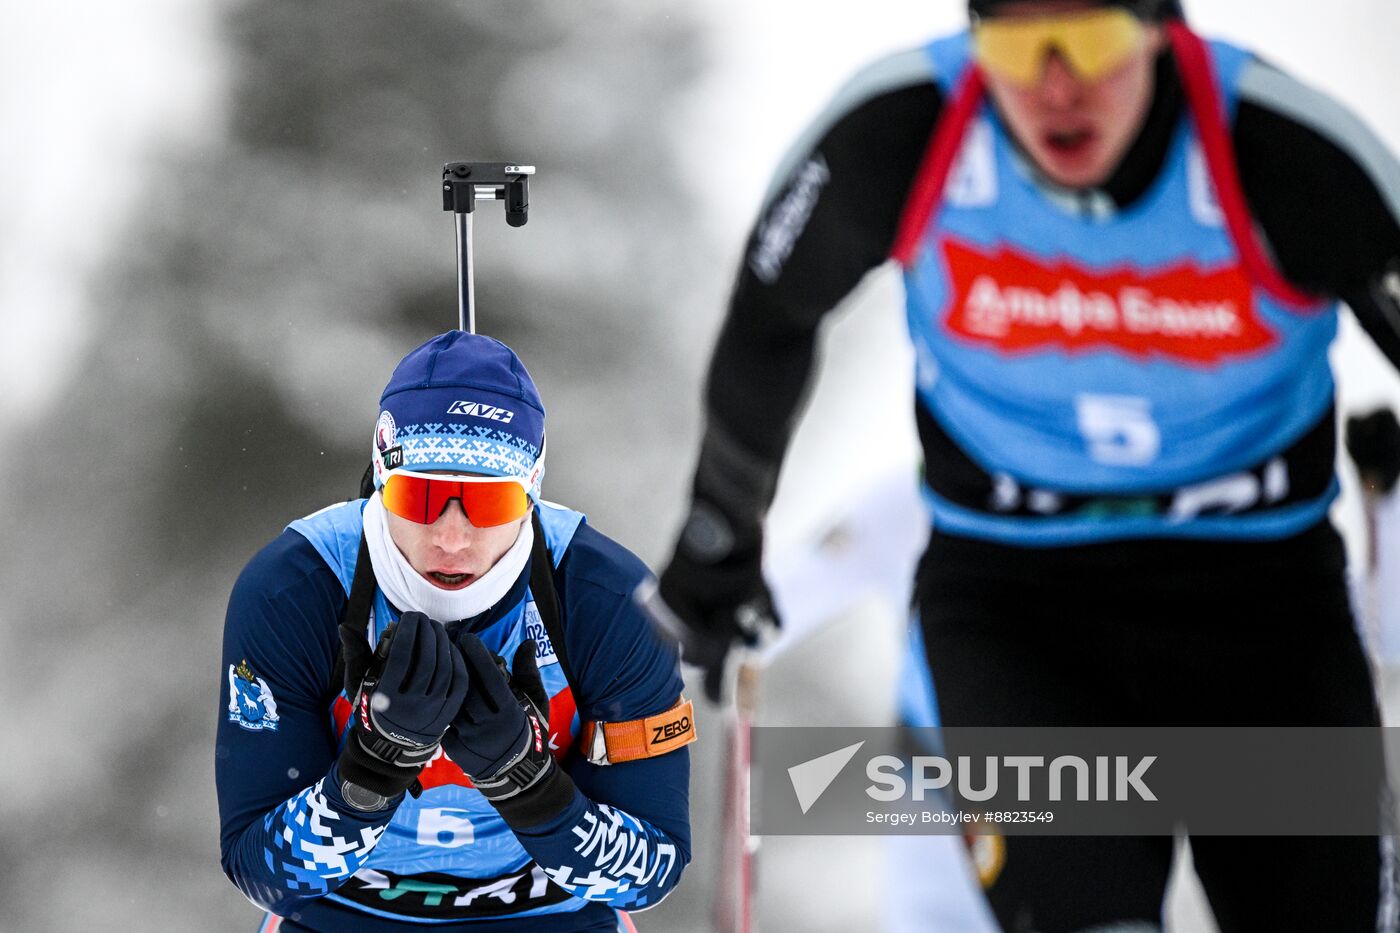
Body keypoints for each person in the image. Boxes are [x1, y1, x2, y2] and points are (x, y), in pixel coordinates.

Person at [655, 0, 1400, 929]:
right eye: (1013, 45)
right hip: (1019, 605)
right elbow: (772, 317)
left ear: (1163, 30)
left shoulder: (1285, 151)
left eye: (1089, 43)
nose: (1055, 86)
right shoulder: (900, 129)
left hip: (1261, 606)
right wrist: (719, 537)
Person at [217, 332, 694, 932]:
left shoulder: (605, 600)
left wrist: (526, 782)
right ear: (381, 478)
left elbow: (653, 872)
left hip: (553, 921)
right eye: (421, 496)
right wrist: (370, 773)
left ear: (531, 496)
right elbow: (260, 873)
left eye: (488, 504)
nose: (451, 537)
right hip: (342, 920)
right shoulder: (298, 587)